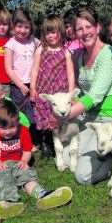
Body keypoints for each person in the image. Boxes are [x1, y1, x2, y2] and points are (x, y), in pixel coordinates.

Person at [62, 6, 112, 185]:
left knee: (82, 176)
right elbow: (82, 91)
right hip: (91, 117)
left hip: (108, 117)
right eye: (79, 29)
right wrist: (67, 102)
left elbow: (95, 96)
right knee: (67, 157)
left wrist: (67, 113)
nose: (84, 32)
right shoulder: (81, 55)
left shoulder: (108, 54)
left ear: (97, 28)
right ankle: (101, 152)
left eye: (88, 27)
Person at [0, 100, 73, 220]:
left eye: (12, 127)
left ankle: (43, 195)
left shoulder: (23, 130)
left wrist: (24, 161)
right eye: (3, 128)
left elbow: (27, 151)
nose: (8, 131)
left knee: (27, 177)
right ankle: (9, 202)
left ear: (18, 121)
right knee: (1, 179)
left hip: (18, 162)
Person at [30, 15, 75, 157]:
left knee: (58, 117)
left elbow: (71, 73)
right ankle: (46, 143)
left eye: (54, 32)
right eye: (47, 33)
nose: (51, 36)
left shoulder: (66, 52)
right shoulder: (40, 50)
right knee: (43, 115)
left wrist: (71, 93)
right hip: (44, 89)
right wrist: (32, 88)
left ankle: (60, 141)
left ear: (60, 32)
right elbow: (35, 70)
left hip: (60, 91)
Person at [4, 8, 40, 145]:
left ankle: (35, 141)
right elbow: (8, 68)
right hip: (17, 86)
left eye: (26, 27)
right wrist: (21, 86)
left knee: (35, 114)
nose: (23, 30)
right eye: (19, 26)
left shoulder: (34, 41)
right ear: (13, 26)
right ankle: (20, 140)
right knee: (19, 115)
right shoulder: (10, 44)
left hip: (34, 84)